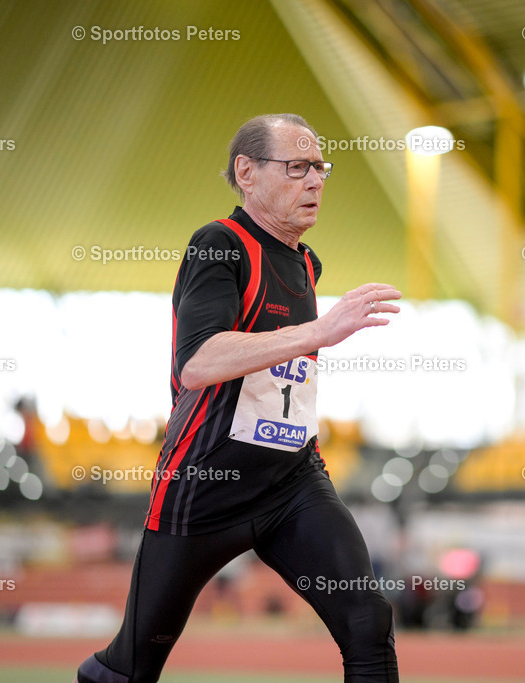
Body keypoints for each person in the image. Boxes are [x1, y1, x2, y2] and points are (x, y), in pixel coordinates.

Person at [76, 113, 402, 682]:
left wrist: (310, 338)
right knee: (132, 666)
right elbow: (197, 363)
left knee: (367, 620)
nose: (316, 181)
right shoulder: (218, 246)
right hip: (202, 489)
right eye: (297, 167)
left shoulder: (306, 263)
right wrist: (321, 331)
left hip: (292, 484)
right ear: (246, 173)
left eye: (321, 168)